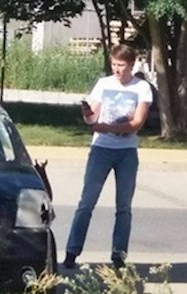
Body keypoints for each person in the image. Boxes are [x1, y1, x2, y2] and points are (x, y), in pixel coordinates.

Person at [63, 44, 152, 269]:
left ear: (131, 65)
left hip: (126, 152)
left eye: (121, 65)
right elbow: (93, 117)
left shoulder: (142, 88)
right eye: (113, 64)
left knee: (123, 206)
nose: (117, 69)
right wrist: (88, 114)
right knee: (86, 202)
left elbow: (136, 123)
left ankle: (118, 256)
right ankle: (72, 252)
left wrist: (107, 127)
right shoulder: (103, 84)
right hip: (101, 149)